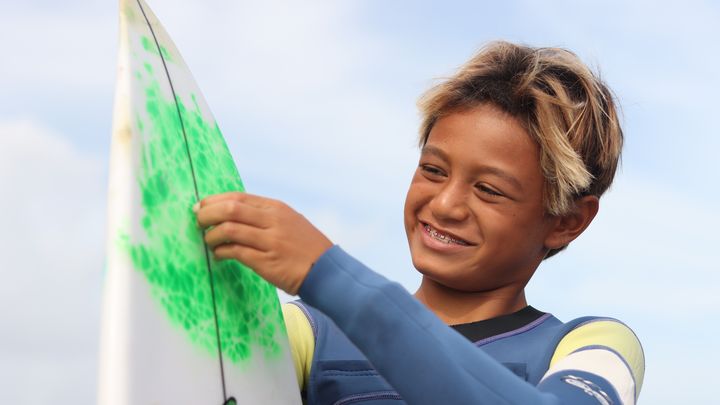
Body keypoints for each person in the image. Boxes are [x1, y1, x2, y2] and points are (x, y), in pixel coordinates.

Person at [195, 41, 645, 404]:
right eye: (433, 170)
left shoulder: (595, 346)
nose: (446, 204)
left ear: (567, 221)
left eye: (488, 189)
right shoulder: (307, 333)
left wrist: (327, 274)